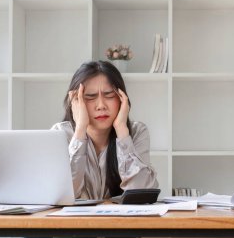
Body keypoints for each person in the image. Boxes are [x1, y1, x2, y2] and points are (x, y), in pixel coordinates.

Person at [51, 60, 159, 200]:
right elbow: (62, 195)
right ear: (76, 101)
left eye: (109, 95)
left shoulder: (137, 131)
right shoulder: (60, 134)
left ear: (122, 98)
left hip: (121, 222)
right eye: (90, 97)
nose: (101, 105)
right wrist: (80, 131)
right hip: (75, 222)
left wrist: (122, 131)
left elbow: (141, 192)